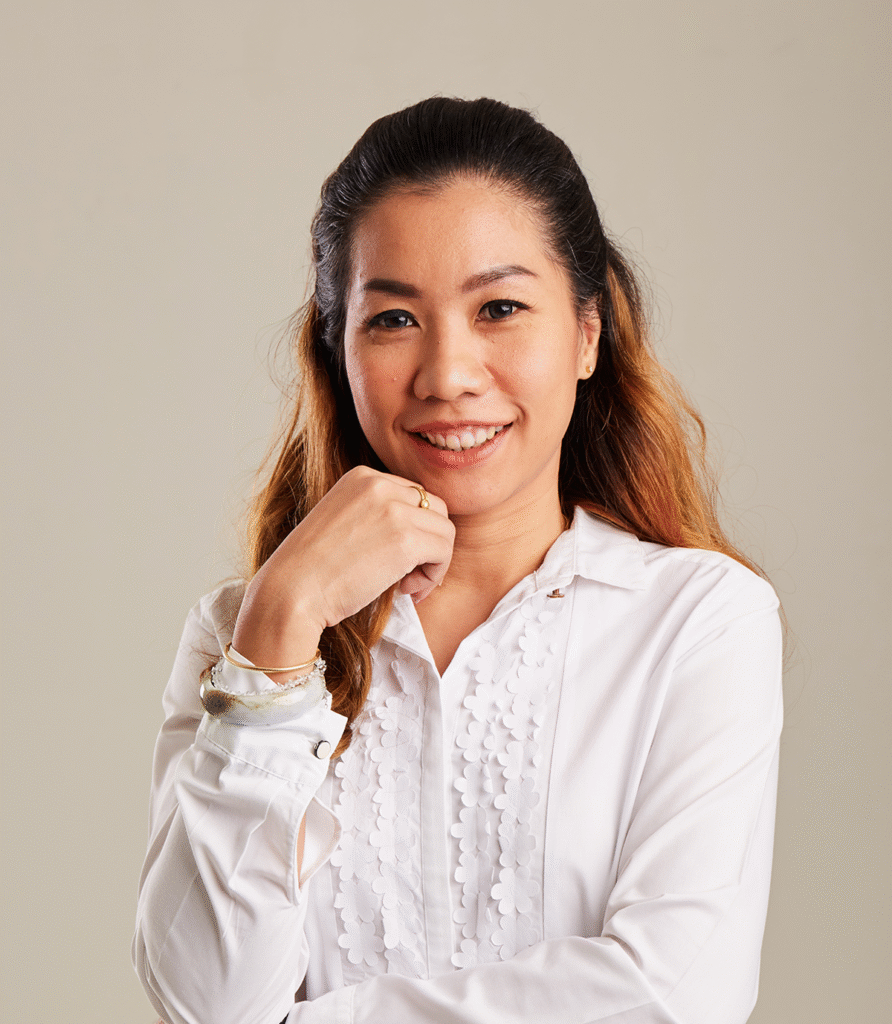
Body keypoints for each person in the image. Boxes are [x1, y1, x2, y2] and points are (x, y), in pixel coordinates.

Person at [132, 97, 783, 1024]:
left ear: (587, 334)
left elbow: (673, 995)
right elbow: (203, 1000)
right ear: (338, 347)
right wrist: (280, 626)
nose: (447, 373)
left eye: (501, 308)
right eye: (393, 320)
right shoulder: (245, 635)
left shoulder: (699, 620)